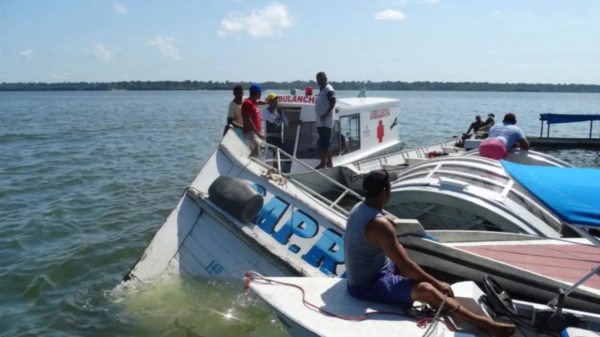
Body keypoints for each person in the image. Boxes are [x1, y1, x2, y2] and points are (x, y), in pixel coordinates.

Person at [344, 170, 516, 337]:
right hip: (365, 286)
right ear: (384, 191)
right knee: (428, 290)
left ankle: (414, 288)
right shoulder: (380, 225)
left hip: (372, 272)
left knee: (401, 251)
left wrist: (385, 220)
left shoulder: (360, 208)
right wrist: (438, 283)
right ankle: (487, 325)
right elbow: (405, 267)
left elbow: (373, 230)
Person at [264, 93, 302, 169]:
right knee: (275, 154)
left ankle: (277, 170)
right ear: (270, 102)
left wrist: (297, 122)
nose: (276, 102)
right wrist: (275, 111)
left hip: (278, 138)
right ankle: (275, 170)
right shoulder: (266, 111)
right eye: (274, 101)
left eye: (276, 100)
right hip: (270, 138)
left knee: (279, 154)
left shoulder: (280, 112)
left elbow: (287, 123)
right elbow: (271, 119)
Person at [315, 72, 336, 169]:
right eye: (318, 80)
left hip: (326, 120)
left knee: (325, 142)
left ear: (326, 79)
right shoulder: (321, 89)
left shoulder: (328, 89)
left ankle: (323, 163)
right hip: (321, 120)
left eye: (321, 80)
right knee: (325, 142)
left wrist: (326, 114)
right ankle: (329, 162)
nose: (320, 82)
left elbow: (333, 101)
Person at [242, 83, 266, 157]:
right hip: (250, 132)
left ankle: (250, 164)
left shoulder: (254, 102)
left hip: (255, 133)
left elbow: (259, 102)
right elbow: (248, 119)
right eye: (260, 92)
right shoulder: (247, 103)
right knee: (260, 147)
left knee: (255, 152)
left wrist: (268, 102)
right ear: (256, 92)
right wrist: (257, 133)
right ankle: (248, 161)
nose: (261, 94)